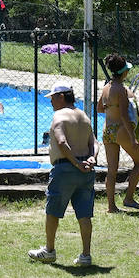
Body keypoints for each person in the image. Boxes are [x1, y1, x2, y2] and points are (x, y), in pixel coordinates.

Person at [29, 82, 96, 266]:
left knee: (53, 211)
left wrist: (75, 162)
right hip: (87, 172)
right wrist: (91, 159)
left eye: (52, 97)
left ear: (61, 97)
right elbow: (94, 142)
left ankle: (49, 250)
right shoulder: (84, 116)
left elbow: (61, 142)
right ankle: (85, 255)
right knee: (84, 214)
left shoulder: (58, 116)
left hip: (65, 169)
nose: (50, 101)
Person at [99, 54, 139, 212]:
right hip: (121, 130)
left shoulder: (106, 87)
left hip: (107, 130)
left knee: (112, 170)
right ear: (124, 72)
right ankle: (129, 198)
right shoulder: (121, 90)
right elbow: (125, 116)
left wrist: (110, 107)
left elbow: (100, 108)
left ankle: (111, 207)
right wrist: (133, 138)